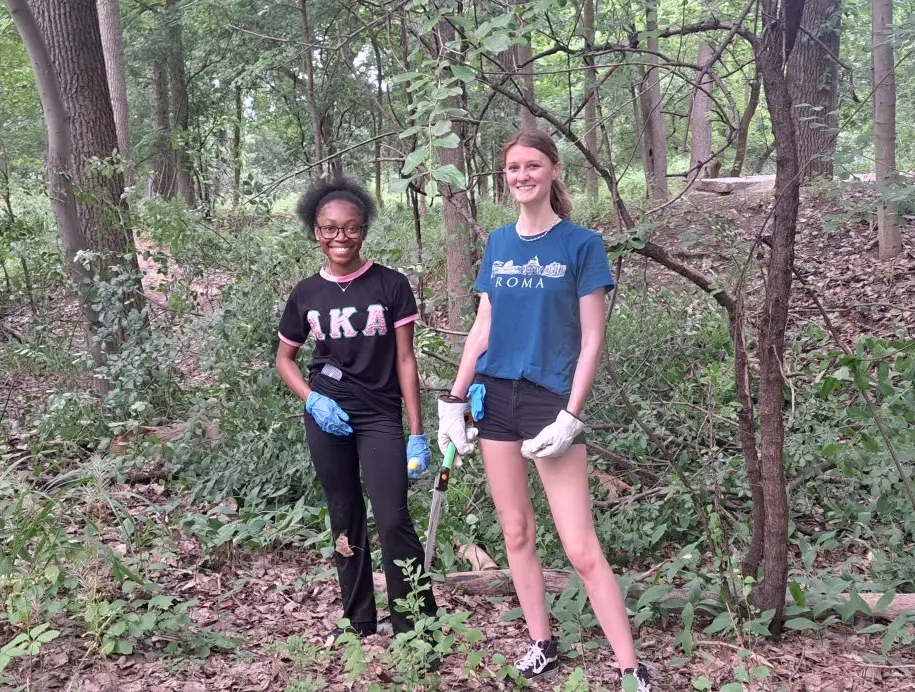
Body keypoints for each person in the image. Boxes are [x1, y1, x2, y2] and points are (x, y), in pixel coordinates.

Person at [436, 130, 652, 690]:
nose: (522, 175)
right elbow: (482, 327)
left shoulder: (582, 245)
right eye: (512, 168)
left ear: (554, 171)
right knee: (515, 532)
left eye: (533, 165)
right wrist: (454, 402)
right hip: (496, 396)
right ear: (504, 176)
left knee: (580, 548)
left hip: (548, 402)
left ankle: (631, 668)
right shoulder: (498, 243)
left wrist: (572, 413)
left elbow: (591, 338)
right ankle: (541, 643)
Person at [275, 177, 437, 642]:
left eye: (350, 228)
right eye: (329, 229)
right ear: (315, 232)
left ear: (364, 230)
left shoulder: (390, 285)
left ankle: (417, 625)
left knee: (391, 518)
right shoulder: (306, 294)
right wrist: (312, 398)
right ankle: (359, 621)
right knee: (344, 514)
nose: (339, 238)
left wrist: (416, 430)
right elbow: (284, 359)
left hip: (379, 415)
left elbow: (406, 360)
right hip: (327, 413)